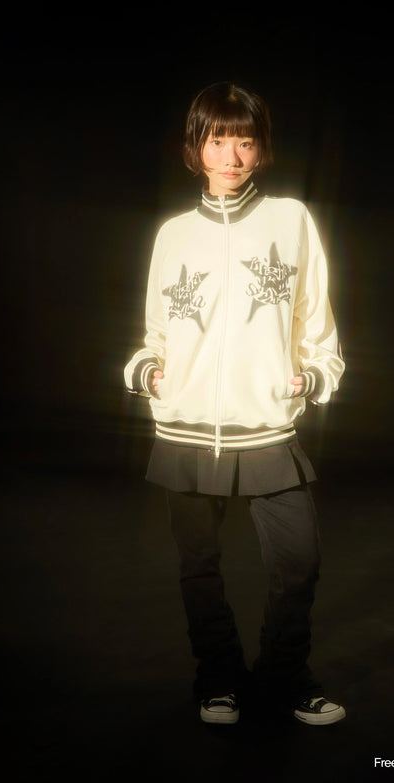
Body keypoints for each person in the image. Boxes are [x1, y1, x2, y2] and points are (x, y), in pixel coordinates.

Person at [124, 81, 346, 726]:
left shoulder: (291, 220)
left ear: (261, 149)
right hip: (185, 428)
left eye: (244, 141)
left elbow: (319, 326)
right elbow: (155, 334)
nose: (232, 155)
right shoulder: (173, 235)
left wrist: (311, 376)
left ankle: (284, 678)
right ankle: (218, 680)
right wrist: (149, 374)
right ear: (195, 147)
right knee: (198, 567)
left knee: (298, 562)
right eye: (218, 140)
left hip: (266, 426)